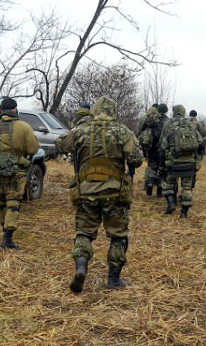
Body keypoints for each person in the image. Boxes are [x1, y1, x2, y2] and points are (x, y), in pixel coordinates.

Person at [56, 96, 143, 293]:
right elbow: (137, 159)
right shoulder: (122, 131)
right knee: (118, 236)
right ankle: (113, 279)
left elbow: (60, 144)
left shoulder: (81, 129)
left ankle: (81, 267)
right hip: (115, 193)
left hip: (86, 191)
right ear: (113, 111)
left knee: (84, 232)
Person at [0, 97, 40, 249]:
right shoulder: (24, 127)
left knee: (1, 201)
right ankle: (7, 238)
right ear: (15, 109)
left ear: (1, 111)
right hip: (17, 171)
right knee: (13, 201)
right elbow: (33, 148)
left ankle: (3, 231)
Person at [159, 105, 203, 218]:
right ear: (184, 113)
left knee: (168, 184)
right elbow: (200, 142)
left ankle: (171, 203)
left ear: (174, 112)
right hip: (189, 162)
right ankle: (184, 213)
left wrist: (163, 161)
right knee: (187, 187)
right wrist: (197, 160)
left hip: (173, 162)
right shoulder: (191, 125)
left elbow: (162, 145)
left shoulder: (169, 125)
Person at [143, 103, 170, 197]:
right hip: (163, 148)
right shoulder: (168, 121)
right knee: (162, 167)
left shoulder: (152, 120)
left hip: (151, 147)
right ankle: (159, 187)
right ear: (166, 110)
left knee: (151, 165)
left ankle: (150, 183)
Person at [189, 110, 206, 189]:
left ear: (189, 115)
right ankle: (191, 184)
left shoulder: (186, 123)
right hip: (197, 148)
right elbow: (204, 133)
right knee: (195, 166)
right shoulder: (200, 123)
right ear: (196, 115)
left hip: (187, 148)